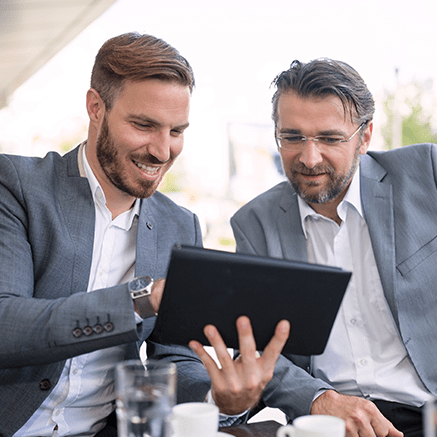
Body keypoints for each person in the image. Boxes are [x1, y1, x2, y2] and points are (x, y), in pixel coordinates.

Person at [0, 32, 289, 437]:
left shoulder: (179, 224)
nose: (162, 150)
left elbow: (173, 360)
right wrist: (143, 298)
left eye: (176, 131)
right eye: (144, 125)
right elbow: (6, 323)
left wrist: (216, 400)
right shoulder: (15, 185)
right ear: (95, 107)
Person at [228, 58, 437, 437]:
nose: (309, 158)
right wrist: (317, 398)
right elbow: (255, 351)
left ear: (366, 136)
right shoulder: (254, 224)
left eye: (329, 138)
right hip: (326, 423)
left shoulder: (427, 174)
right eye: (292, 137)